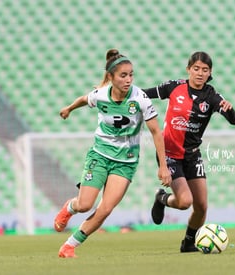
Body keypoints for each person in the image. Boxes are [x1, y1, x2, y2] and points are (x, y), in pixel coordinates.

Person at [55, 49, 172, 258]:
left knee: (105, 209)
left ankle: (69, 246)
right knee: (85, 205)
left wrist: (163, 166)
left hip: (125, 163)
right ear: (111, 77)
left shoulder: (141, 98)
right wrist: (69, 108)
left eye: (131, 75)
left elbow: (156, 131)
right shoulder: (101, 95)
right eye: (123, 75)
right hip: (99, 156)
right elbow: (84, 99)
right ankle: (70, 207)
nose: (129, 80)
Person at [142, 51, 235, 252]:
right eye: (196, 69)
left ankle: (187, 244)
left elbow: (233, 120)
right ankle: (162, 198)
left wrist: (229, 109)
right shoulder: (175, 87)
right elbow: (143, 94)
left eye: (205, 70)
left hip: (192, 155)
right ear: (189, 69)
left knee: (201, 206)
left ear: (210, 72)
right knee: (185, 201)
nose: (200, 73)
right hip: (169, 153)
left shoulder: (211, 96)